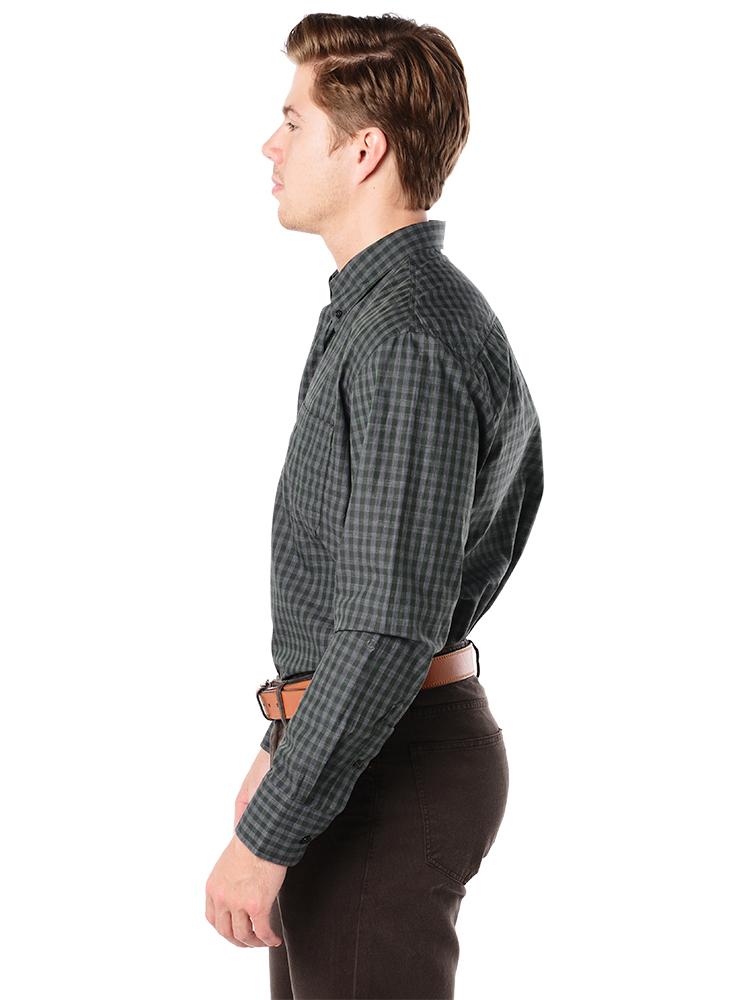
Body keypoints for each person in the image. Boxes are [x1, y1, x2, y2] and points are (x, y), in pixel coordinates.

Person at [205, 12, 544, 998]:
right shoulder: (382, 316)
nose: (269, 146)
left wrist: (267, 834)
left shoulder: (407, 340)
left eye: (292, 122)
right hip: (362, 753)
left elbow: (390, 623)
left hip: (392, 769)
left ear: (364, 151)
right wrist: (283, 747)